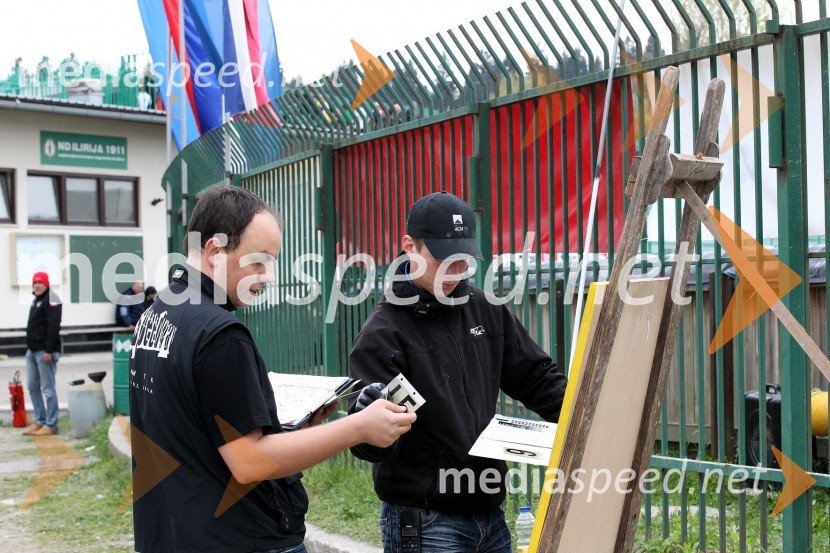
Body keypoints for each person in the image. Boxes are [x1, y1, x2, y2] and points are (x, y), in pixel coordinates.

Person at [129, 185, 416, 553]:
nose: (267, 277)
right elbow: (249, 462)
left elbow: (197, 430)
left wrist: (296, 430)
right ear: (214, 251)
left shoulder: (158, 312)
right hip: (239, 539)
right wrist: (359, 427)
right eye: (258, 261)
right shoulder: (220, 335)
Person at [348, 191, 568, 553]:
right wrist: (366, 422)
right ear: (410, 247)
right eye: (444, 260)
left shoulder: (486, 309)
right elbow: (370, 445)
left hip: (490, 513)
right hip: (426, 519)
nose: (455, 273)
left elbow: (535, 377)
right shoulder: (383, 334)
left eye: (463, 261)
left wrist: (585, 417)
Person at [24, 271, 62, 436]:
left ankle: (51, 424)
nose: (37, 285)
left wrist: (48, 350)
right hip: (32, 351)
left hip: (44, 352)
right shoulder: (37, 301)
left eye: (40, 283)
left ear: (47, 284)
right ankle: (40, 420)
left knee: (48, 388)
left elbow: (54, 326)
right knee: (32, 387)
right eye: (35, 283)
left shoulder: (53, 300)